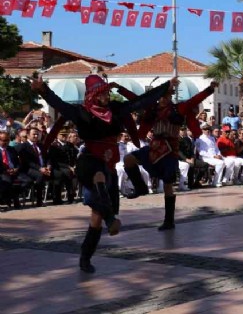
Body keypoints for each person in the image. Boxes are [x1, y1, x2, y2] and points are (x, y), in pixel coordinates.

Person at [31, 73, 174, 273]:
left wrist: (165, 87)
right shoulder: (81, 112)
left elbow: (139, 102)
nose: (106, 96)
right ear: (92, 95)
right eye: (102, 93)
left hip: (108, 165)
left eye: (107, 92)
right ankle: (111, 221)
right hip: (88, 161)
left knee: (95, 218)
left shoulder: (114, 110)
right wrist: (43, 90)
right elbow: (60, 104)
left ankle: (85, 257)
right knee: (98, 178)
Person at [120, 81, 218, 231]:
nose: (164, 99)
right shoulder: (152, 108)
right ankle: (140, 187)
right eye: (162, 96)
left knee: (168, 185)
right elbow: (137, 100)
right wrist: (120, 89)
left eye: (166, 96)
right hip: (153, 147)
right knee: (128, 159)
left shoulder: (178, 109)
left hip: (170, 150)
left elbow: (195, 100)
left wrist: (210, 89)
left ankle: (169, 220)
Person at [0, 131, 22, 209]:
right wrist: (6, 171)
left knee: (26, 180)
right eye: (3, 140)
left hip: (14, 171)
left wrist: (16, 169)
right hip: (3, 172)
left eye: (7, 140)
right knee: (7, 181)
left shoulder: (12, 149)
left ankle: (14, 198)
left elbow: (18, 162)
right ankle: (9, 201)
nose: (6, 142)